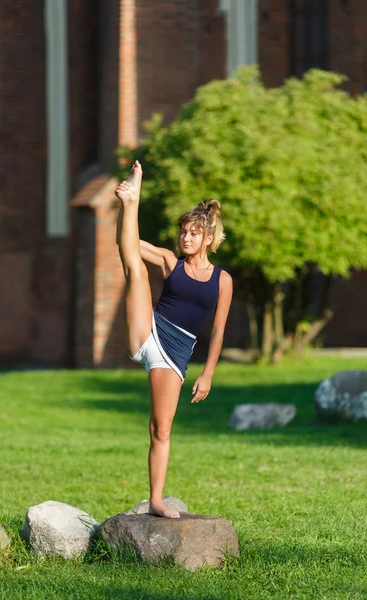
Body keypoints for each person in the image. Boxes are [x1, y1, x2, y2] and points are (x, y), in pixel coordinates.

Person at [115, 160, 233, 519]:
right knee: (134, 268)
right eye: (182, 232)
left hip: (174, 355)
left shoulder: (222, 281)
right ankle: (132, 198)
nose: (185, 238)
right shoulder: (170, 261)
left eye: (193, 234)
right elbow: (127, 242)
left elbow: (218, 331)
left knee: (160, 428)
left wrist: (208, 373)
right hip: (147, 330)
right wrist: (126, 210)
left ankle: (156, 499)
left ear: (208, 238)